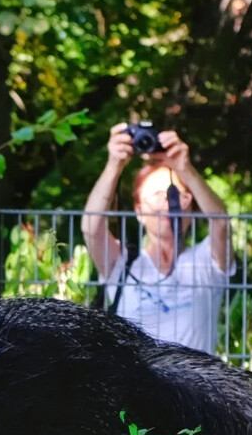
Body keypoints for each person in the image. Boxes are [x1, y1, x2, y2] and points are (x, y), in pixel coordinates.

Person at [82, 122, 232, 354]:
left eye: (176, 195)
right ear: (139, 211)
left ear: (191, 208)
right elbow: (92, 228)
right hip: (137, 389)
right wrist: (114, 165)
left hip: (196, 388)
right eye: (157, 195)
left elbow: (221, 223)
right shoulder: (124, 264)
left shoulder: (206, 262)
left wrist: (185, 169)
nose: (166, 202)